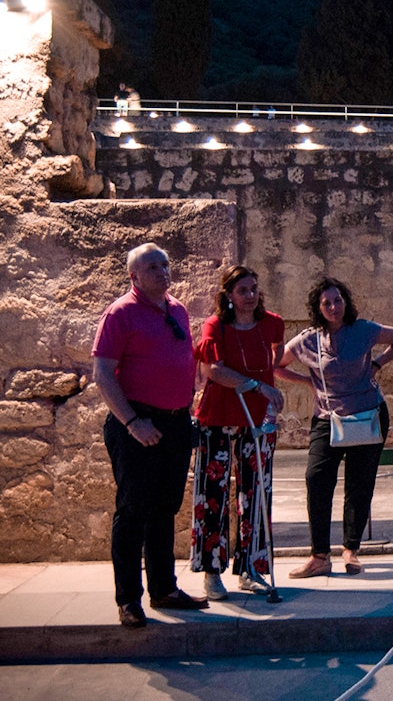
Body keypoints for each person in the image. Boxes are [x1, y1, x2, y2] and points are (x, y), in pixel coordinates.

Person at [92, 243, 209, 628]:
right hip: (137, 423)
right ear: (134, 276)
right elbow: (104, 374)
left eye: (165, 264)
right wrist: (131, 422)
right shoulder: (120, 313)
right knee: (133, 512)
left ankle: (163, 589)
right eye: (152, 267)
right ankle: (128, 599)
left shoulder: (176, 308)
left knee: (165, 509)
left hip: (175, 424)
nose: (162, 272)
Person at [278, 277, 393, 578]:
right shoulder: (307, 340)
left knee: (360, 484)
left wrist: (377, 364)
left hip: (368, 414)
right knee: (316, 479)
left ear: (345, 303)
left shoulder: (363, 330)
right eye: (327, 302)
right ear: (318, 307)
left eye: (338, 300)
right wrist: (306, 381)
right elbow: (276, 365)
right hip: (328, 419)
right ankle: (319, 556)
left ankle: (351, 550)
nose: (334, 307)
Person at [189, 266, 288, 600]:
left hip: (258, 420)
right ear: (229, 295)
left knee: (257, 492)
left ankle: (252, 568)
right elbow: (211, 369)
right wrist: (256, 385)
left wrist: (268, 387)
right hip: (219, 416)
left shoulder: (272, 322)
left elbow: (277, 354)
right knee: (212, 491)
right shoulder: (216, 326)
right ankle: (211, 573)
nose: (250, 295)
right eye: (243, 290)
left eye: (254, 289)